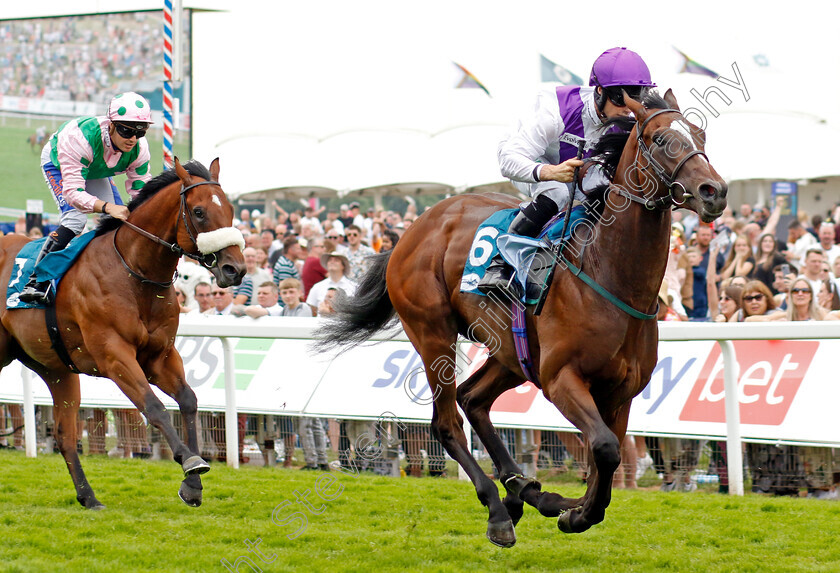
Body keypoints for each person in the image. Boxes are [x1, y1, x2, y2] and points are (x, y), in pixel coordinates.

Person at [479, 47, 656, 296]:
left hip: (577, 168)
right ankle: (499, 266)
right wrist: (550, 171)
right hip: (528, 158)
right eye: (620, 98)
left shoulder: (625, 123)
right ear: (599, 92)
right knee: (558, 193)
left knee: (604, 195)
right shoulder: (557, 111)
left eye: (636, 97)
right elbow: (508, 160)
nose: (628, 108)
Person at [19, 92, 153, 304]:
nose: (133, 139)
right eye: (127, 131)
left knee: (120, 220)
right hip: (60, 162)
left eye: (140, 132)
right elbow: (73, 194)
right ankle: (37, 281)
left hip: (95, 168)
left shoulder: (139, 149)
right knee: (75, 219)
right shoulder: (80, 138)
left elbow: (141, 192)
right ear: (111, 124)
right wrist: (108, 207)